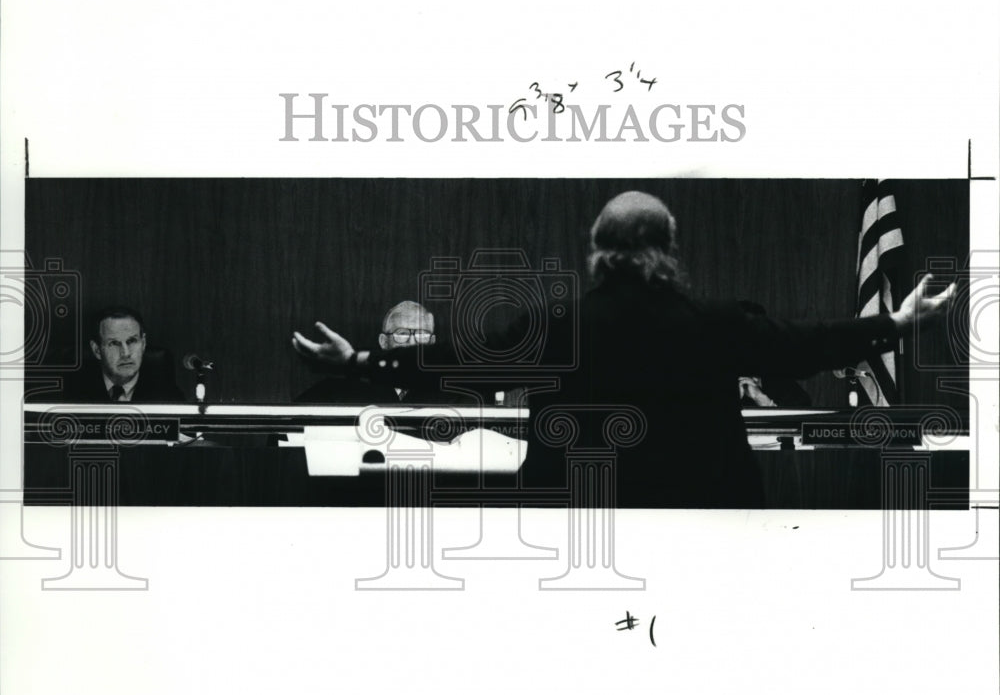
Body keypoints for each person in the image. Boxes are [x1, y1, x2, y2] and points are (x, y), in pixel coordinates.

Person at [292, 191, 955, 508]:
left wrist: (358, 363)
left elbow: (458, 360)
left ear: (599, 254)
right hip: (703, 517)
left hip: (580, 520)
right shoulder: (717, 325)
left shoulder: (559, 328)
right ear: (667, 253)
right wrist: (895, 323)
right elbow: (804, 345)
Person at [295, 300, 475, 405]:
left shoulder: (456, 394)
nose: (413, 342)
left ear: (432, 342)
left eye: (421, 334)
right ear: (383, 342)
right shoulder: (342, 388)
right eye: (402, 334)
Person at [58, 306, 185, 403]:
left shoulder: (168, 395)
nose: (125, 353)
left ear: (144, 343)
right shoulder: (72, 393)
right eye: (114, 343)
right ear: (97, 350)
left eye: (131, 341)